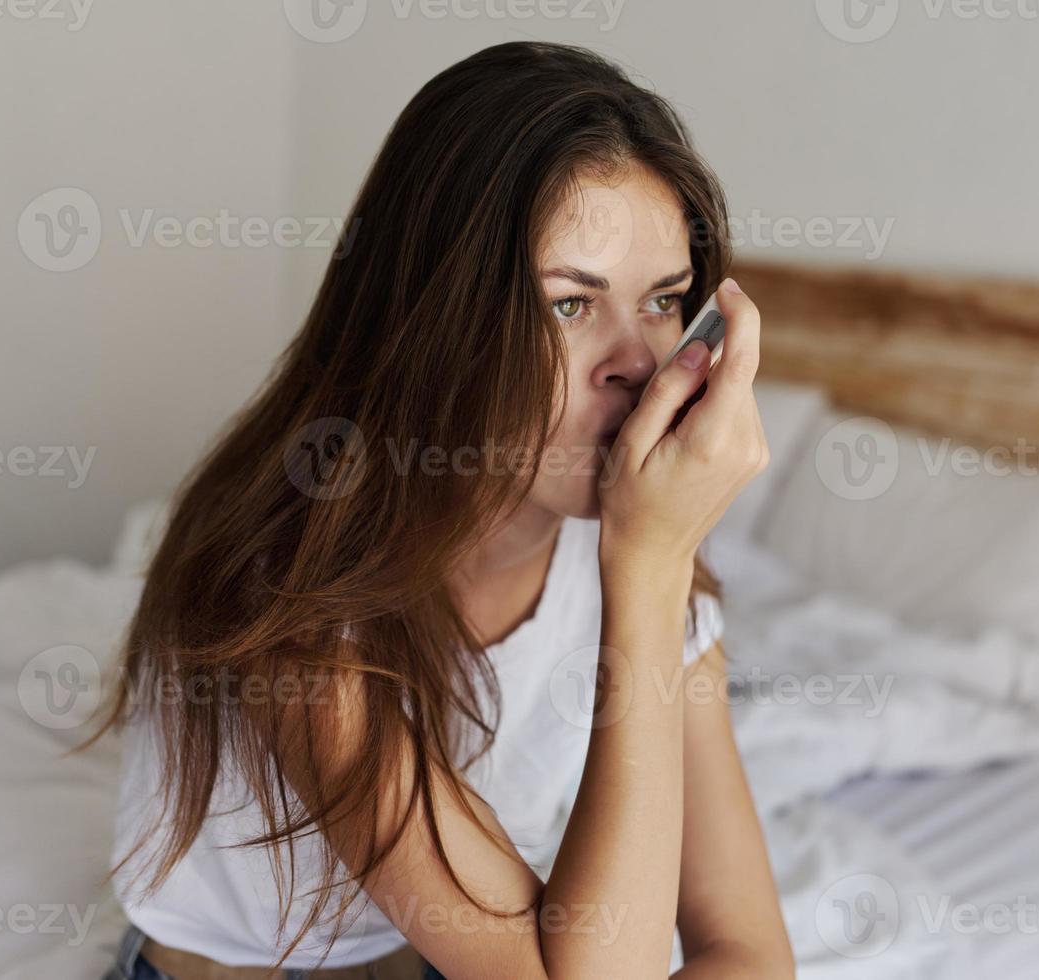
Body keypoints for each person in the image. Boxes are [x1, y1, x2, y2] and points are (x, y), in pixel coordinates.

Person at [83, 40, 793, 980]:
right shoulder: (288, 596)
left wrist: (652, 574)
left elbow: (744, 947)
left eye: (663, 301)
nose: (637, 361)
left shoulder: (634, 560)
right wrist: (649, 567)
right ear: (433, 317)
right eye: (568, 307)